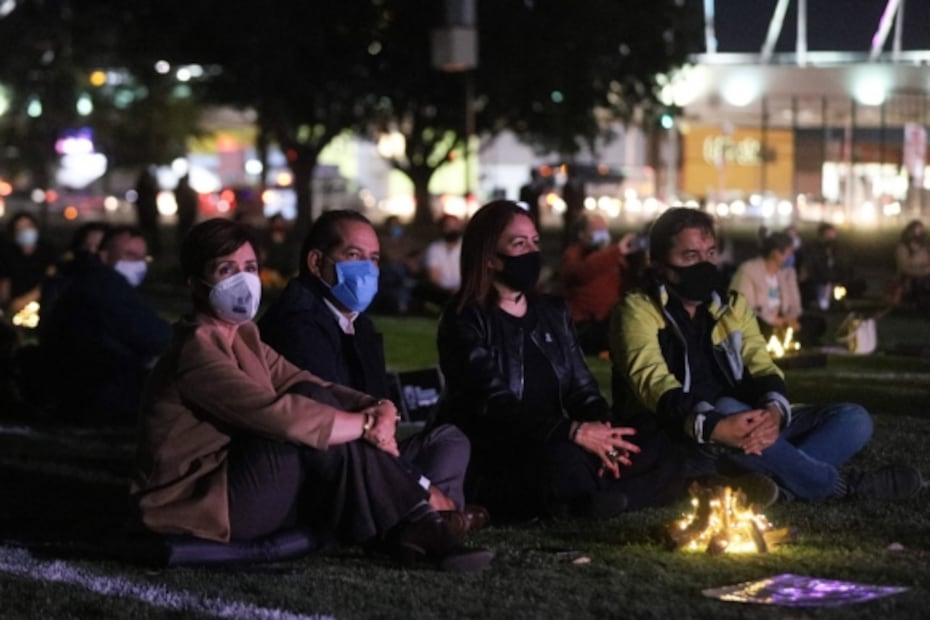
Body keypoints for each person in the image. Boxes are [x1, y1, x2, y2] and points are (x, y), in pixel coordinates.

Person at [131, 218, 491, 571]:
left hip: (260, 478)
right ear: (196, 284)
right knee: (306, 414)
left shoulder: (243, 335)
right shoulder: (196, 350)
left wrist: (377, 407)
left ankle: (419, 520)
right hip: (206, 502)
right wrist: (367, 426)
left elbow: (307, 381)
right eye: (227, 269)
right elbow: (278, 413)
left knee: (441, 438)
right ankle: (420, 516)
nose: (244, 280)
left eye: (251, 267)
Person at [609, 207, 924, 503]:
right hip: (685, 432)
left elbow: (762, 364)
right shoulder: (637, 310)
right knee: (728, 406)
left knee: (853, 419)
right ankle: (846, 486)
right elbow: (653, 383)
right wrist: (716, 425)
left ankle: (771, 484)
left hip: (749, 423)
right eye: (690, 256)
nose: (704, 264)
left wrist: (773, 412)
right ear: (659, 263)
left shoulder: (730, 306)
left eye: (710, 254)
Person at [432, 200, 691, 522]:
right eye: (518, 243)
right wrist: (572, 431)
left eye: (535, 242)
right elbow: (496, 406)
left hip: (565, 435)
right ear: (489, 258)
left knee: (656, 434)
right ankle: (602, 496)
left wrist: (606, 433)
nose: (531, 251)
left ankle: (594, 496)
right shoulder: (465, 320)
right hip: (508, 446)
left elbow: (582, 390)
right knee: (558, 458)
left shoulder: (552, 312)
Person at [258, 209, 483, 530]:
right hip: (333, 459)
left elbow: (380, 410)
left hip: (375, 451)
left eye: (374, 258)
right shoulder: (297, 324)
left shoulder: (358, 324)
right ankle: (427, 517)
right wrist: (418, 482)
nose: (367, 268)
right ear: (315, 263)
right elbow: (333, 427)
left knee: (449, 440)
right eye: (354, 255)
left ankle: (431, 518)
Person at [39, 225, 171, 423]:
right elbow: (154, 335)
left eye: (142, 258)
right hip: (101, 391)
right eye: (129, 255)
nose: (137, 264)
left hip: (80, 386)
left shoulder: (83, 279)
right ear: (103, 255)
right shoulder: (106, 286)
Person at [730, 231, 825, 347]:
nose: (792, 257)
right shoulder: (749, 271)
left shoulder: (787, 273)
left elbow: (795, 304)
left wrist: (791, 318)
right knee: (758, 327)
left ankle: (788, 339)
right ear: (776, 253)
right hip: (761, 320)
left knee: (816, 323)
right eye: (789, 253)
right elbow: (743, 307)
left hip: (782, 321)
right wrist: (774, 320)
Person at [560, 212, 636, 355]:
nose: (603, 234)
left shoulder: (612, 256)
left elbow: (628, 284)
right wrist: (617, 251)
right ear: (581, 234)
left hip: (609, 320)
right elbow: (583, 272)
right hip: (585, 325)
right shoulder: (573, 255)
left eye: (604, 229)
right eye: (597, 229)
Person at [0, 211, 58, 316]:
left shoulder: (48, 251)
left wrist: (27, 299)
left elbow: (50, 280)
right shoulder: (7, 254)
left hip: (44, 308)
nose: (25, 231)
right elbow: (5, 284)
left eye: (28, 227)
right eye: (20, 229)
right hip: (15, 309)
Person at [799, 222, 862, 311]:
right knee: (823, 294)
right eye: (830, 233)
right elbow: (812, 265)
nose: (833, 236)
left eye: (833, 233)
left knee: (840, 289)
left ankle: (837, 302)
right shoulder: (813, 248)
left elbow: (843, 262)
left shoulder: (838, 248)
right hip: (820, 279)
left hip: (836, 278)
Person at [375, 215, 422, 314]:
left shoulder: (407, 240)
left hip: (405, 271)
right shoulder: (382, 240)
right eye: (393, 225)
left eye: (397, 225)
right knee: (394, 268)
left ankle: (403, 301)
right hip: (387, 272)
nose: (396, 227)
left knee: (400, 278)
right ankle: (405, 281)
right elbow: (388, 256)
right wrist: (405, 259)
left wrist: (408, 260)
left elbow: (416, 254)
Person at [415, 214, 463, 310]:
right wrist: (448, 290)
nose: (452, 229)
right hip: (442, 291)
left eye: (455, 225)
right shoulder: (434, 249)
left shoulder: (468, 247)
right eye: (448, 226)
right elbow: (433, 276)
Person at [893, 219, 930, 308]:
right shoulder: (903, 248)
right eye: (918, 230)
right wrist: (923, 272)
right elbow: (904, 268)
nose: (920, 233)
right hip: (911, 279)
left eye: (922, 230)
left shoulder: (925, 247)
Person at [133, 167, 161, 257]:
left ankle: (150, 251)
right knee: (151, 233)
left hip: (146, 212)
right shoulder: (148, 186)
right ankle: (152, 251)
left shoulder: (142, 186)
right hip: (148, 211)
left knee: (148, 233)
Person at [174, 173, 199, 246]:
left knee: (184, 229)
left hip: (186, 213)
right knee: (184, 229)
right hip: (185, 213)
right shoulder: (185, 191)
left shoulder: (183, 190)